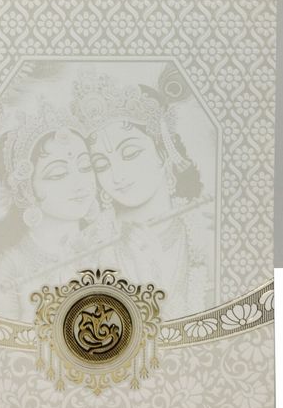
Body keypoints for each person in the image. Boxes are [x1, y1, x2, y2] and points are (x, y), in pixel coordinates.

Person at [70, 68, 215, 317]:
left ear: (163, 151)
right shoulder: (88, 247)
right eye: (101, 164)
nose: (117, 175)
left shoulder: (205, 231)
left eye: (130, 153)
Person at [0, 100, 111, 322]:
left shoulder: (112, 243)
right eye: (58, 174)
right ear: (26, 189)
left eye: (86, 167)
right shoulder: (7, 271)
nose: (80, 183)